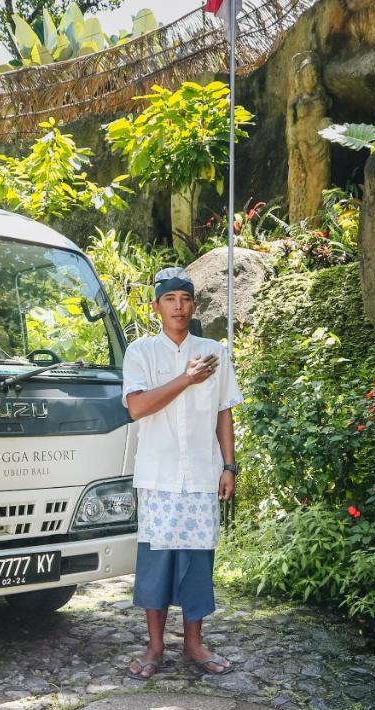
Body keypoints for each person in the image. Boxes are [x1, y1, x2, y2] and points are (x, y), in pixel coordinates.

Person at [122, 267, 242, 680]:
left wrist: (229, 465)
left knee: (197, 562)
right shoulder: (141, 352)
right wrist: (186, 379)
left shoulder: (214, 351)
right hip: (158, 476)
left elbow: (224, 411)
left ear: (194, 305)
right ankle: (154, 647)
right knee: (156, 563)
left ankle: (194, 644)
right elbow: (137, 407)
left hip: (201, 476)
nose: (179, 306)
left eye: (185, 299)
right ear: (157, 306)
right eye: (170, 299)